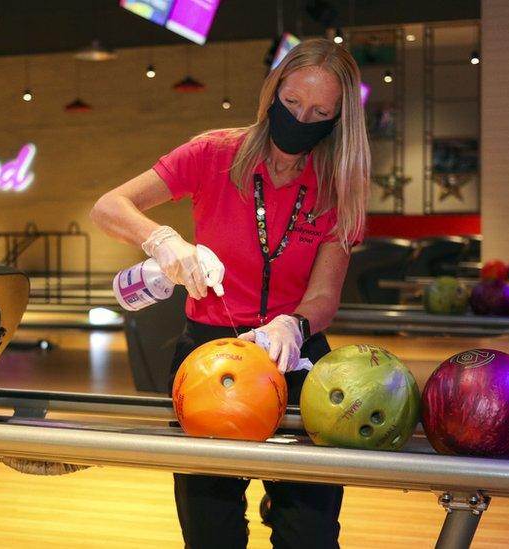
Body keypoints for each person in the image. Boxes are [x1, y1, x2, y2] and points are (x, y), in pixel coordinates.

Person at [91, 38, 370, 549]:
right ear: (271, 93)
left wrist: (294, 324)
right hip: (208, 354)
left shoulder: (341, 186)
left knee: (309, 535)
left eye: (320, 112)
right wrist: (163, 240)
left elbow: (324, 296)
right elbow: (110, 206)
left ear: (338, 119)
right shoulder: (214, 153)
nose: (302, 118)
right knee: (210, 534)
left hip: (295, 357)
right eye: (291, 104)